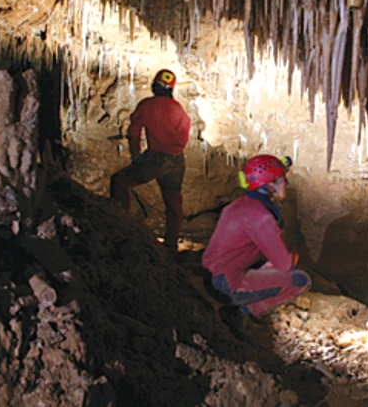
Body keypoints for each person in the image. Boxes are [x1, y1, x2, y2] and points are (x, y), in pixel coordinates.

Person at [201, 154, 311, 330]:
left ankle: (238, 304)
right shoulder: (261, 217)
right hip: (226, 284)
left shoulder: (239, 205)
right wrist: (292, 257)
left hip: (211, 276)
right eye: (282, 179)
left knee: (269, 263)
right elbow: (284, 264)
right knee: (299, 280)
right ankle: (241, 313)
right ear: (269, 185)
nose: (286, 183)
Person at [110, 69, 192, 253]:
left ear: (155, 85)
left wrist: (136, 155)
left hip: (156, 157)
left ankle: (122, 227)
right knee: (173, 201)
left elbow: (134, 132)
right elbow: (185, 134)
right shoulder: (178, 108)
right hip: (177, 160)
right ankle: (171, 244)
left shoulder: (148, 105)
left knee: (120, 182)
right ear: (171, 89)